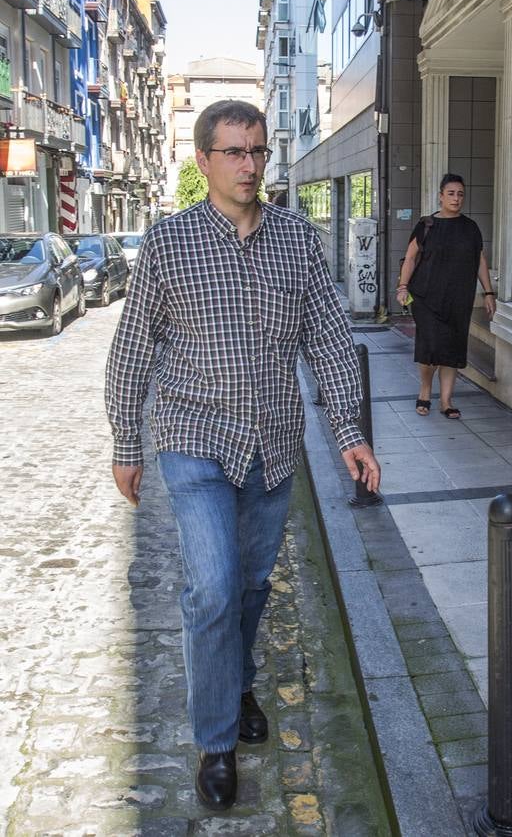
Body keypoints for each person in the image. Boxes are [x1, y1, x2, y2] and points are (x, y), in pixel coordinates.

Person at [105, 99, 380, 812]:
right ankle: (217, 741)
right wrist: (125, 444)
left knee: (254, 586)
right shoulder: (169, 243)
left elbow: (326, 335)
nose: (249, 165)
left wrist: (349, 432)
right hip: (193, 440)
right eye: (233, 152)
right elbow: (133, 349)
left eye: (257, 151)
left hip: (273, 444)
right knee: (214, 590)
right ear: (203, 160)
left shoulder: (296, 239)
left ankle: (239, 677)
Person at [395, 173, 496, 419]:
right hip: (426, 297)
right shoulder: (427, 224)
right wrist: (402, 287)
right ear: (441, 196)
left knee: (451, 348)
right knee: (430, 347)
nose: (456, 198)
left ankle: (447, 401)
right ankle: (426, 390)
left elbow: (480, 260)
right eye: (451, 193)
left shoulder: (470, 228)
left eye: (460, 194)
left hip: (458, 299)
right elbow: (410, 258)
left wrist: (488, 292)